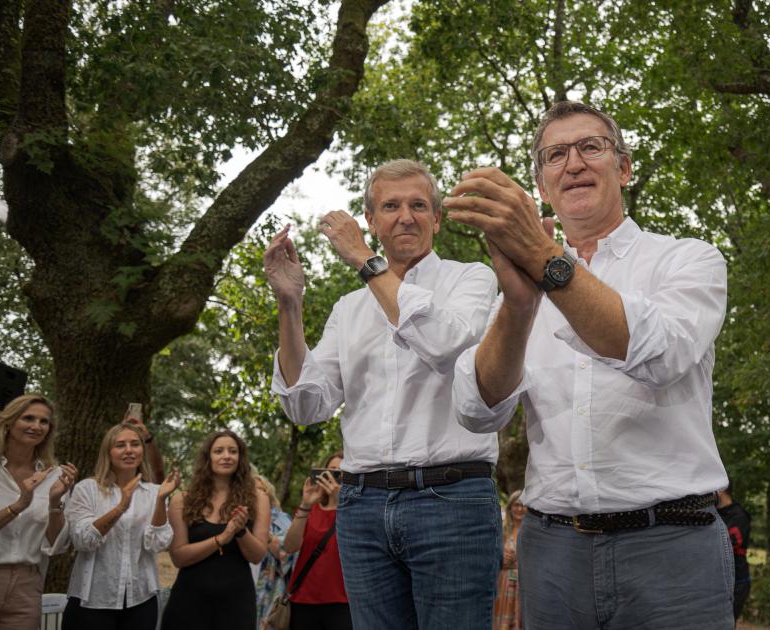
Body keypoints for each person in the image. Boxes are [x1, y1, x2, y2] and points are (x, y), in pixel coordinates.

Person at [447, 100, 735, 629]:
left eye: (590, 148)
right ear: (541, 185)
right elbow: (477, 410)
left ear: (623, 168)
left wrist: (544, 259)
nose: (573, 163)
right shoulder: (520, 285)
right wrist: (517, 305)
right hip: (552, 550)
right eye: (555, 154)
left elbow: (660, 354)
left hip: (673, 547)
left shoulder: (687, 259)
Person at [265, 158, 502, 630]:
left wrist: (364, 260)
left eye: (418, 205)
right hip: (363, 506)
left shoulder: (470, 279)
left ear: (436, 218)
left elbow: (448, 346)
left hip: (452, 499)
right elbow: (306, 403)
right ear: (372, 220)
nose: (405, 216)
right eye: (390, 206)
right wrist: (290, 306)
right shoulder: (349, 307)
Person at [63, 423, 181, 629]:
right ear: (108, 452)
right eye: (120, 445)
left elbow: (157, 544)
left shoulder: (154, 492)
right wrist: (120, 507)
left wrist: (161, 499)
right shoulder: (87, 489)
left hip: (141, 599)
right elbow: (82, 540)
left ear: (142, 451)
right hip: (93, 599)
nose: (129, 450)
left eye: (135, 444)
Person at [0, 394, 77, 629]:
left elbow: (57, 545)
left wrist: (55, 502)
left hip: (28, 583)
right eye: (28, 418)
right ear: (9, 423)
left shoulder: (56, 478)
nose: (36, 426)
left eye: (44, 422)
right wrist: (19, 505)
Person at [160, 430, 270, 630]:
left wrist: (240, 531)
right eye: (219, 451)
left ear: (240, 458)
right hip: (188, 602)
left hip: (236, 604)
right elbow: (178, 557)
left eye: (233, 451)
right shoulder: (183, 500)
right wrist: (221, 538)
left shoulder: (258, 498)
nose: (227, 456)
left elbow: (257, 556)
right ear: (207, 457)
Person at [280, 452, 348, 629]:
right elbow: (289, 547)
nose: (335, 477)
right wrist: (305, 504)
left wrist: (342, 503)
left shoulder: (354, 512)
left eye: (341, 472)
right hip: (304, 600)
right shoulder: (311, 510)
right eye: (332, 471)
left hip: (343, 602)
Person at [256, 474, 295, 628]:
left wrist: (265, 533)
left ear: (269, 495)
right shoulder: (237, 516)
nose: (257, 494)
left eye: (261, 490)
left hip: (270, 589)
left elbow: (287, 552)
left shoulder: (281, 519)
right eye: (252, 491)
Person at [716, 484, 752, 621]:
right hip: (717, 580)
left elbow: (729, 544)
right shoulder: (713, 514)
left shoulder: (739, 515)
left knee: (727, 623)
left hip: (737, 581)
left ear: (721, 491)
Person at [492, 490, 525, 630]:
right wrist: (501, 557)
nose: (519, 509)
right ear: (510, 507)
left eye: (523, 505)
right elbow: (493, 556)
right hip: (505, 582)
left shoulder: (532, 533)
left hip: (526, 583)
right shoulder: (502, 530)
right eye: (515, 505)